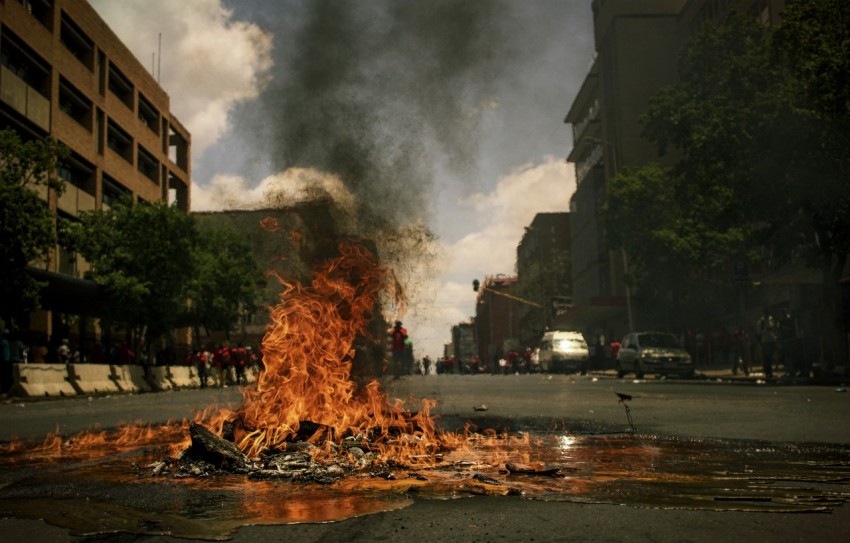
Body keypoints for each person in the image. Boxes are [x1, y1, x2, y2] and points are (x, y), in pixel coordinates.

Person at [756, 310, 777, 379]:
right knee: (766, 357)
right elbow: (759, 332)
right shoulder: (761, 322)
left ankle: (770, 372)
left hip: (771, 340)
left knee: (770, 357)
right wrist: (765, 330)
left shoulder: (771, 320)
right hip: (765, 341)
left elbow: (774, 328)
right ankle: (767, 372)